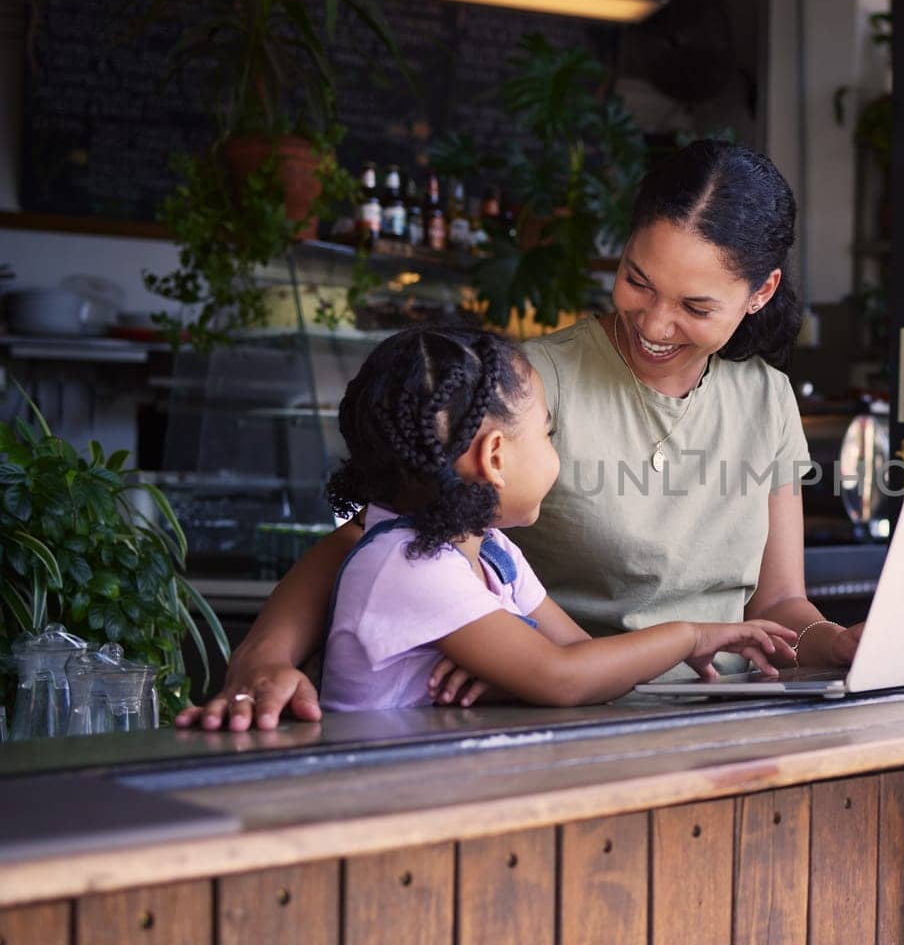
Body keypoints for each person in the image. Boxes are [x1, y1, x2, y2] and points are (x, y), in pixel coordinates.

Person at [178, 140, 863, 730]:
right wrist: (262, 659)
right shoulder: (529, 386)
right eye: (637, 281)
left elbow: (775, 605)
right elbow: (372, 536)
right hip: (558, 721)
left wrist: (833, 643)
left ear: (762, 292)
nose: (654, 324)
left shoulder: (767, 397)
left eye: (695, 306)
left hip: (724, 720)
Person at [316, 324, 794, 710]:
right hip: (385, 806)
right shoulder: (408, 566)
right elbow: (564, 677)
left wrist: (515, 681)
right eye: (546, 433)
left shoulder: (492, 551)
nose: (553, 449)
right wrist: (690, 636)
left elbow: (583, 657)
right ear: (495, 458)